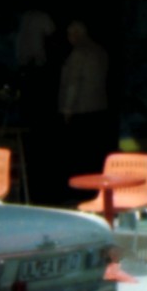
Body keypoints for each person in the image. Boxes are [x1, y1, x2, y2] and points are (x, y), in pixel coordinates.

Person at [58, 20, 110, 181]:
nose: (68, 38)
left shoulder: (78, 53)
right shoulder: (101, 51)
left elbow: (73, 83)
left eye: (70, 34)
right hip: (99, 106)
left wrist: (67, 108)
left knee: (79, 153)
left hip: (80, 109)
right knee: (94, 152)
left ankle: (79, 188)